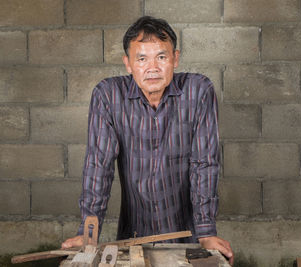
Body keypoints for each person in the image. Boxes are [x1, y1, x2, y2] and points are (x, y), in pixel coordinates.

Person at [61, 16, 234, 265]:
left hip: (189, 237)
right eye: (142, 59)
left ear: (175, 58)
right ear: (128, 64)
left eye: (161, 57)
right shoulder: (108, 96)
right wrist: (87, 233)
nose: (152, 67)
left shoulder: (198, 91)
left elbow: (205, 164)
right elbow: (99, 165)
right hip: (133, 236)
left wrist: (206, 232)